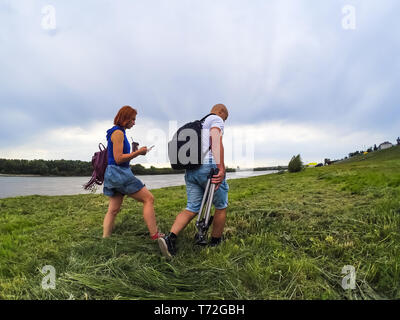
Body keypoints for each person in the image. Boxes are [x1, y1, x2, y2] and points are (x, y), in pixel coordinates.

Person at [158, 104, 229, 258]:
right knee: (221, 206)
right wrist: (221, 168)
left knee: (191, 208)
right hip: (208, 168)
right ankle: (215, 242)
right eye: (225, 118)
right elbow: (216, 139)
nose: (224, 122)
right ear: (221, 112)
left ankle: (170, 239)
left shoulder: (199, 124)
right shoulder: (216, 119)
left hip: (191, 170)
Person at [102, 105, 163, 240]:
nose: (134, 123)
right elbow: (118, 159)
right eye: (133, 119)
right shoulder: (118, 133)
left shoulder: (117, 132)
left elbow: (117, 156)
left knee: (113, 210)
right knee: (149, 199)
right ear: (125, 118)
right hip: (120, 173)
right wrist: (138, 153)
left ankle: (105, 239)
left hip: (113, 174)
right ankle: (155, 235)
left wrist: (134, 151)